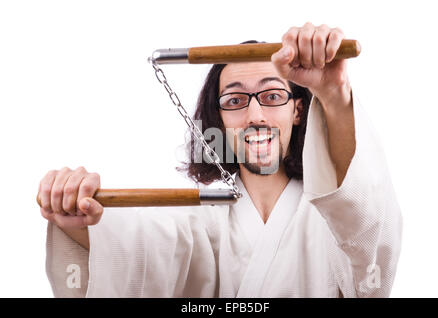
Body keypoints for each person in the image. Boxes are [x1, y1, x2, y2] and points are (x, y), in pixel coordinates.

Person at [39, 23, 402, 297]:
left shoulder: (331, 219)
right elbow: (138, 252)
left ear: (298, 110)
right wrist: (76, 214)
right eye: (234, 101)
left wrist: (334, 93)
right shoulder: (198, 221)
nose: (255, 115)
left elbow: (369, 236)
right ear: (219, 121)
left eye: (273, 95)